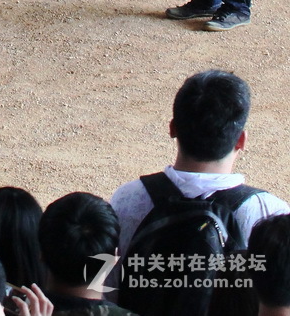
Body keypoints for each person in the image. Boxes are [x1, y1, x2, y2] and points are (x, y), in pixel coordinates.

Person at [112, 71, 289, 263]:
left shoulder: (127, 200)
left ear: (172, 129)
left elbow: (108, 285)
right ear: (241, 140)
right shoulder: (269, 213)